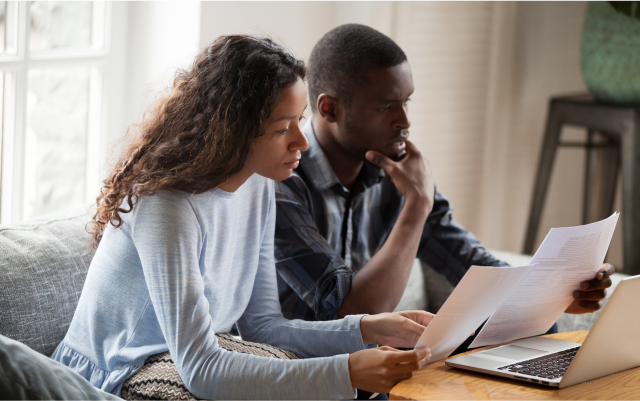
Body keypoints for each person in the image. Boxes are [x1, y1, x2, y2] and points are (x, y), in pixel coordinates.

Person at [49, 35, 435, 401]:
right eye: (283, 129)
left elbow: (262, 327)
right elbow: (200, 367)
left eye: (299, 122)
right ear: (232, 132)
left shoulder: (259, 185)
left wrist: (371, 326)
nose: (301, 142)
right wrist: (346, 371)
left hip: (187, 361)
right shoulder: (166, 206)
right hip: (115, 375)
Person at [274, 23, 614, 342]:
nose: (405, 121)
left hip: (380, 368)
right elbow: (355, 317)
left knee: (532, 328)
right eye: (387, 107)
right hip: (306, 369)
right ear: (330, 109)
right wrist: (417, 205)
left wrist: (553, 295)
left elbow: (469, 261)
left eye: (406, 102)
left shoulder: (396, 172)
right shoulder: (281, 183)